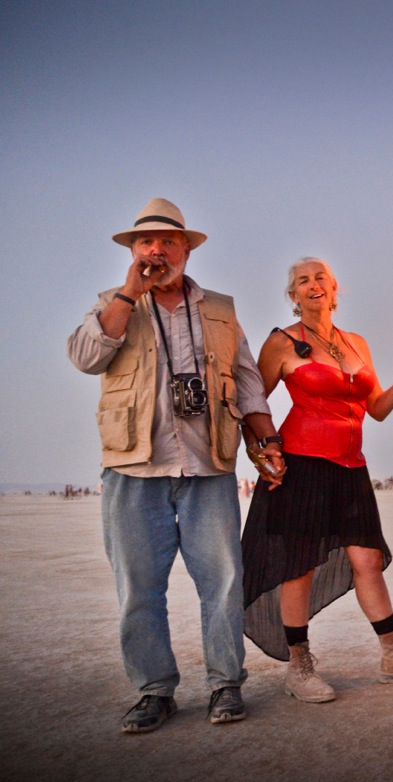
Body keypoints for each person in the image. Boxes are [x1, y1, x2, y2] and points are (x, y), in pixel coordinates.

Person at [68, 198, 285, 733]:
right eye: (146, 242)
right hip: (134, 468)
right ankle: (153, 690)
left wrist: (266, 441)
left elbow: (249, 380)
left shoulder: (220, 309)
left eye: (169, 241)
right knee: (139, 587)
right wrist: (128, 293)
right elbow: (85, 357)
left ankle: (224, 684)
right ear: (133, 251)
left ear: (186, 249)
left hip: (208, 464)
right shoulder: (111, 305)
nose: (157, 250)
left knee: (223, 581)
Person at [241, 257, 393, 703]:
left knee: (368, 561)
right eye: (303, 281)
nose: (313, 285)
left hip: (352, 466)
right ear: (293, 296)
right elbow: (252, 402)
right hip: (302, 467)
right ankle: (299, 667)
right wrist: (262, 450)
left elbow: (376, 408)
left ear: (335, 290)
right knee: (299, 567)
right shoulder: (281, 343)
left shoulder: (356, 343)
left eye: (321, 278)